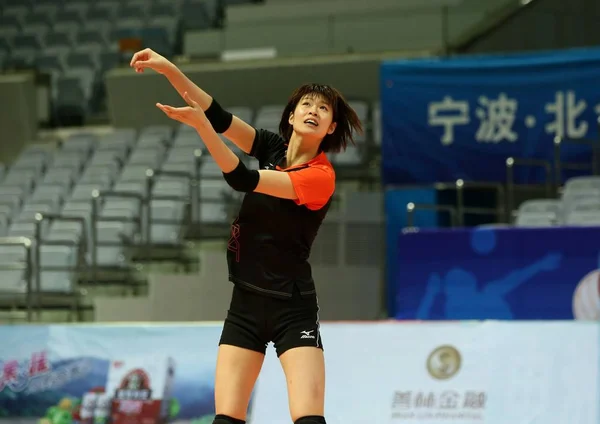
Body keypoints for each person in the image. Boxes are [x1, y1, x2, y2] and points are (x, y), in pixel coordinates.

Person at [130, 48, 363, 424]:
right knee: (226, 418)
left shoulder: (321, 177)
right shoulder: (272, 147)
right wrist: (169, 69)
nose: (313, 111)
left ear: (331, 127)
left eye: (323, 109)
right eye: (307, 103)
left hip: (292, 306)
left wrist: (201, 128)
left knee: (308, 419)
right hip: (245, 303)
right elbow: (217, 114)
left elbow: (242, 178)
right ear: (291, 115)